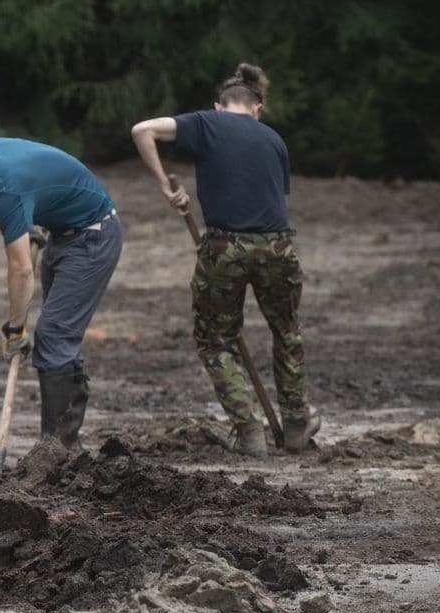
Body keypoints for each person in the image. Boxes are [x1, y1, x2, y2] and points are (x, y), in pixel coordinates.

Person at [131, 62, 320, 456]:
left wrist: (166, 186)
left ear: (218, 106)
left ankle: (248, 430)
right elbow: (271, 198)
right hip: (277, 246)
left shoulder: (207, 123)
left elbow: (142, 130)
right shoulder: (274, 139)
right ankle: (297, 424)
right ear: (257, 107)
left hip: (224, 248)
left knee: (216, 340)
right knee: (286, 332)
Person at [0, 134, 123, 450]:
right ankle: (61, 446)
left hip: (92, 237)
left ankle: (58, 449)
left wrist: (15, 329)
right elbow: (38, 174)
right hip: (61, 234)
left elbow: (21, 271)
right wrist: (35, 215)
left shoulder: (7, 194)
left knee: (54, 335)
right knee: (59, 336)